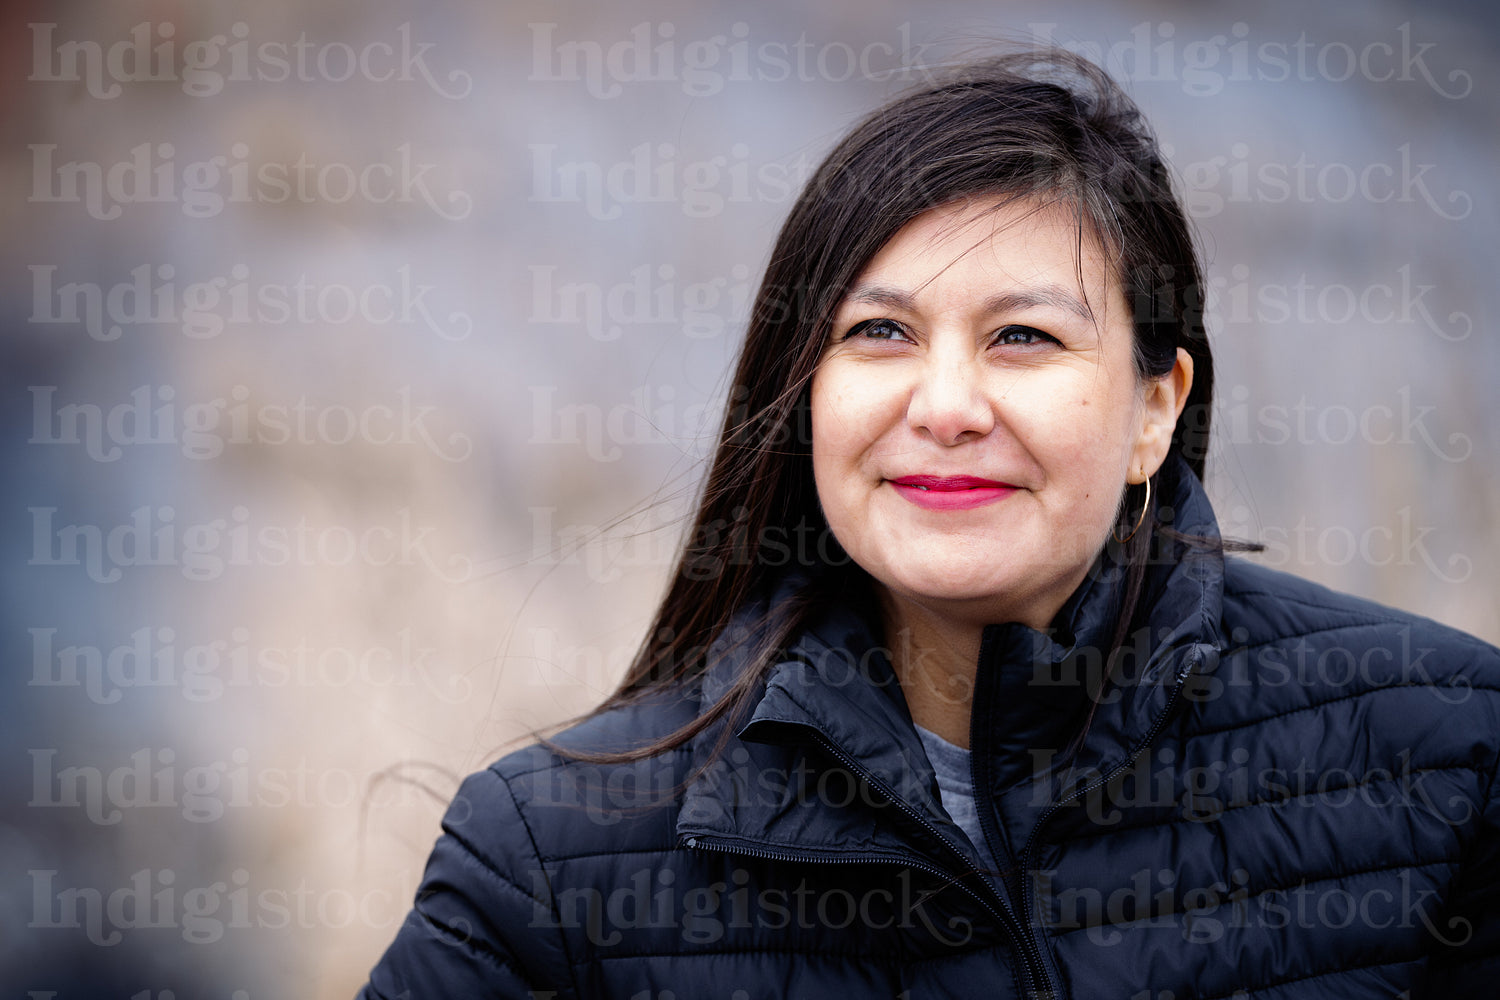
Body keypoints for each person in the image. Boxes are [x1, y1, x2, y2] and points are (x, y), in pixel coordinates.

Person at [358, 49, 1499, 999]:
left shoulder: (1451, 757)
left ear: (1157, 407)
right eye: (881, 334)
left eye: (1023, 338)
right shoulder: (554, 859)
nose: (946, 408)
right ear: (801, 392)